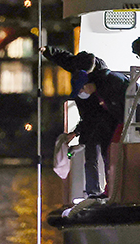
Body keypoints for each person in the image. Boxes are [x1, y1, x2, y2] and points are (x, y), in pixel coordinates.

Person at [41, 47, 128, 198]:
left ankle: (111, 189)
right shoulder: (75, 64)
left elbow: (96, 115)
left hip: (107, 118)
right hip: (92, 117)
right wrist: (46, 51)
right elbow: (62, 57)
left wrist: (78, 131)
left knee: (105, 153)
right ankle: (93, 191)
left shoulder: (104, 81)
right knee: (90, 153)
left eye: (83, 89)